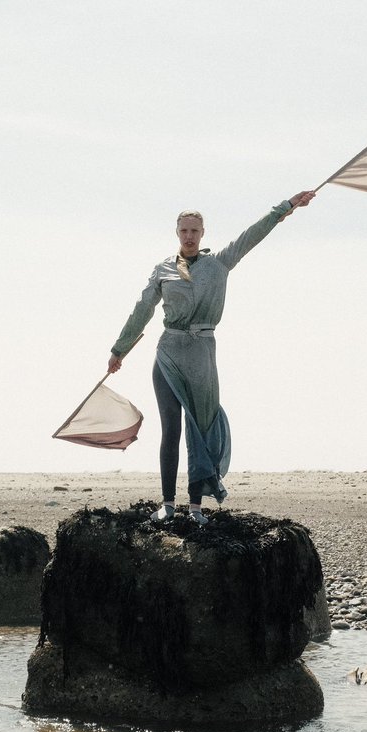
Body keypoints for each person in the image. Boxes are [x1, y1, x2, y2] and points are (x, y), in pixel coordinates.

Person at [108, 190, 316, 525]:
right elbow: (143, 309)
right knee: (171, 429)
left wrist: (286, 207)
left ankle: (194, 508)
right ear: (177, 233)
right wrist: (119, 350)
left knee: (200, 429)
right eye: (183, 231)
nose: (189, 236)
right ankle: (167, 504)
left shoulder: (219, 264)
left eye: (194, 231)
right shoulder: (163, 269)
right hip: (168, 354)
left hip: (202, 356)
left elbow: (252, 235)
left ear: (202, 234)